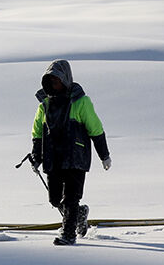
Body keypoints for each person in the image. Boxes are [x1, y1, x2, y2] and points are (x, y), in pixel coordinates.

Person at [30, 59, 111, 246]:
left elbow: (95, 129)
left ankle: (68, 234)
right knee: (55, 198)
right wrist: (36, 157)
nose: (54, 84)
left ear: (65, 79)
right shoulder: (44, 106)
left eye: (56, 80)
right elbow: (37, 133)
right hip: (54, 158)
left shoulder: (81, 102)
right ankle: (80, 214)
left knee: (71, 197)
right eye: (50, 81)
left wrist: (104, 155)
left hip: (76, 157)